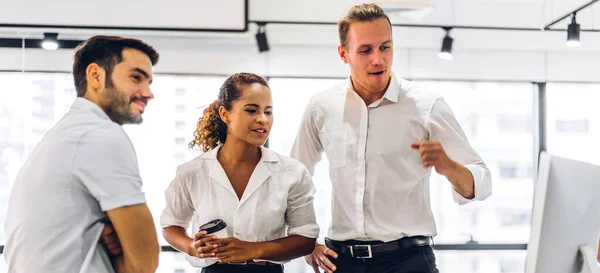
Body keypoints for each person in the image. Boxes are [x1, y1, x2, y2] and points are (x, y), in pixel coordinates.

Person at [291, 3, 492, 273]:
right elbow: (294, 178)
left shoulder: (428, 107)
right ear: (343, 54)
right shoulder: (321, 107)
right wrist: (305, 242)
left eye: (385, 47)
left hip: (408, 261)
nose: (378, 59)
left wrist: (448, 166)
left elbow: (482, 182)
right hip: (341, 262)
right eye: (365, 50)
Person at [4, 35, 160, 273]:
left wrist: (111, 232)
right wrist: (118, 249)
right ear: (96, 75)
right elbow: (144, 262)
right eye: (136, 77)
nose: (148, 93)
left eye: (149, 82)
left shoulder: (69, 134)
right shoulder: (98, 135)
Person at [160, 72, 320, 273]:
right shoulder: (192, 172)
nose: (262, 119)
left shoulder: (293, 172)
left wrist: (252, 250)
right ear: (225, 114)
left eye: (268, 112)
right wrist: (192, 247)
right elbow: (171, 225)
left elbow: (305, 239)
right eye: (252, 110)